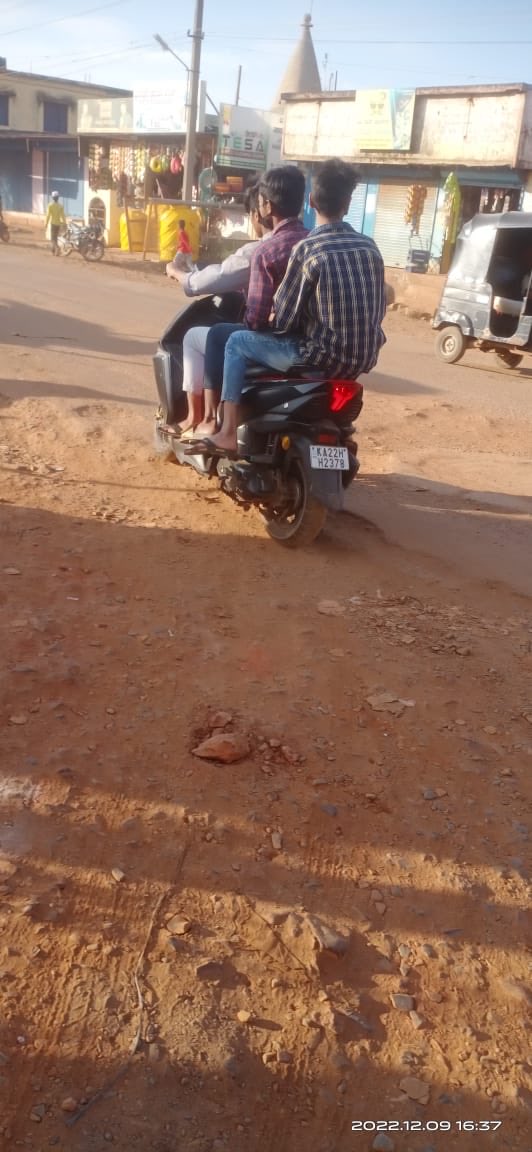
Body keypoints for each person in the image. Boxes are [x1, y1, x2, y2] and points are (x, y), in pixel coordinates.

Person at [194, 158, 387, 454]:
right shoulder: (370, 248)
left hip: (318, 358)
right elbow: (379, 307)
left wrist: (276, 316)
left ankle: (228, 431)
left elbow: (284, 319)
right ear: (348, 203)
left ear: (311, 201)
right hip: (362, 360)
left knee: (234, 342)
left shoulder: (308, 250)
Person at [186, 164, 307, 443]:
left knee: (225, 337)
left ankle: (217, 424)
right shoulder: (315, 242)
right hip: (314, 340)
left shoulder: (267, 250)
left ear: (265, 206)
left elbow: (255, 318)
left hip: (284, 340)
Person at [167, 182, 269, 436]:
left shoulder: (261, 250)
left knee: (202, 337)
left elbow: (215, 278)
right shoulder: (309, 244)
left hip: (269, 338)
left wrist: (178, 274)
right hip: (305, 342)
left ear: (259, 212)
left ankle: (201, 417)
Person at [45, 191, 66, 256]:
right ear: (58, 197)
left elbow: (48, 215)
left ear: (52, 197)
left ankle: (57, 248)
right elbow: (63, 215)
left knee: (52, 239)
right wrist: (64, 223)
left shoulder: (50, 205)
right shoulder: (61, 206)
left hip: (53, 224)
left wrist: (46, 223)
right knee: (55, 238)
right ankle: (53, 252)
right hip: (58, 224)